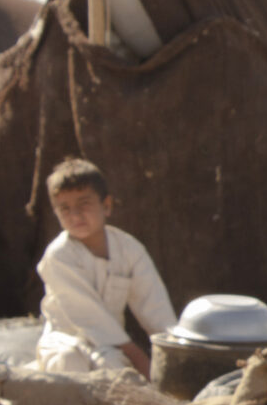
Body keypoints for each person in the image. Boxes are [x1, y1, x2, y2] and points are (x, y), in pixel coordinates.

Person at [33, 157, 176, 376]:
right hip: (64, 340)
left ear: (106, 205)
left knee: (116, 371)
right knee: (69, 360)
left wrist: (175, 354)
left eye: (84, 204)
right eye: (65, 208)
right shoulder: (58, 256)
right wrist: (138, 358)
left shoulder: (129, 249)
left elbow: (156, 309)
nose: (75, 215)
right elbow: (89, 316)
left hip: (109, 348)